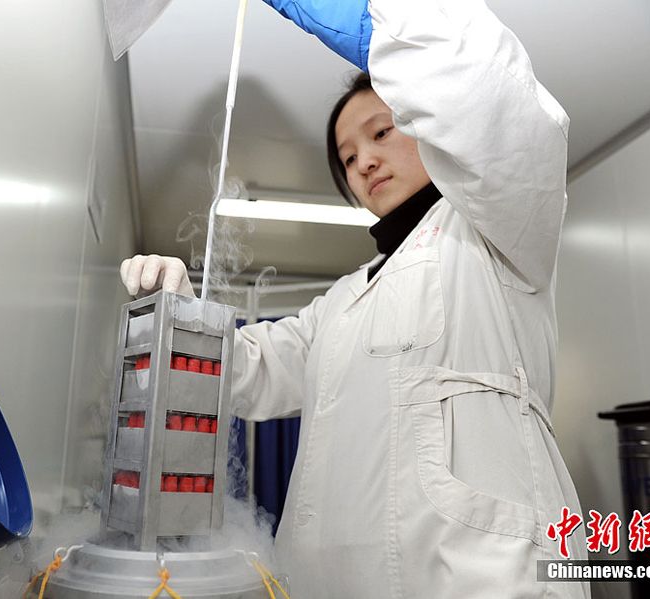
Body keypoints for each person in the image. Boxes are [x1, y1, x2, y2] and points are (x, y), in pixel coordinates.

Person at [121, 0, 590, 597]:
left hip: (479, 580)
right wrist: (183, 314)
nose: (364, 161)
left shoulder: (495, 229)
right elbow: (250, 371)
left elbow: (496, 107)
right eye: (347, 158)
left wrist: (381, 23)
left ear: (426, 119)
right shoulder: (341, 302)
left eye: (381, 133)